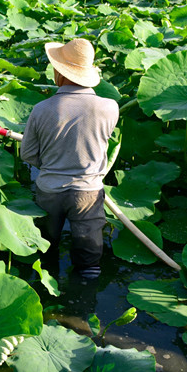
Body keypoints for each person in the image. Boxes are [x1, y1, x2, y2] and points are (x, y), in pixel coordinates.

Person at [20, 38, 119, 279]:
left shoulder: (41, 109)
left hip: (49, 191)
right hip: (88, 192)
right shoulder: (110, 107)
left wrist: (52, 165)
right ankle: (84, 295)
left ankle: (46, 289)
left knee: (45, 252)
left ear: (60, 72)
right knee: (89, 264)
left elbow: (27, 154)